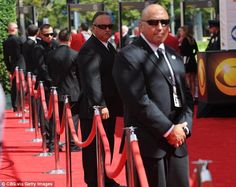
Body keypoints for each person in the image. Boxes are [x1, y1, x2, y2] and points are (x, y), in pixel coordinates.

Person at [113, 4, 194, 187]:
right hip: (147, 145)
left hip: (178, 144)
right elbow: (138, 101)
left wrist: (184, 128)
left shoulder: (174, 55)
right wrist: (168, 130)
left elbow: (187, 97)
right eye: (153, 22)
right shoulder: (128, 56)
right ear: (141, 26)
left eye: (164, 22)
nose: (160, 27)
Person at [77, 11, 123, 187]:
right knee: (93, 149)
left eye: (110, 26)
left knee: (107, 144)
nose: (107, 30)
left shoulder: (108, 46)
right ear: (93, 28)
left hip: (108, 106)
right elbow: (92, 80)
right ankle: (94, 181)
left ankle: (105, 177)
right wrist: (100, 105)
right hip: (94, 109)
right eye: (102, 26)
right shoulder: (89, 49)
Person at [47, 28, 81, 152]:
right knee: (73, 118)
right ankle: (72, 143)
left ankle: (53, 143)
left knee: (55, 118)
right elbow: (79, 74)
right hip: (73, 90)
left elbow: (49, 72)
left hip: (56, 90)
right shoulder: (75, 55)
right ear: (70, 39)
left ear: (58, 39)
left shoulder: (51, 54)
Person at [32, 24, 56, 151]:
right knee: (46, 114)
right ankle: (48, 141)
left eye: (52, 34)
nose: (50, 37)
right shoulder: (38, 48)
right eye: (47, 34)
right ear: (40, 34)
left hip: (55, 85)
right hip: (45, 86)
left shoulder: (54, 45)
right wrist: (51, 81)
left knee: (55, 115)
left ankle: (54, 140)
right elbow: (42, 68)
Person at [2, 22, 25, 112]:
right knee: (22, 86)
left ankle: (15, 105)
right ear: (14, 29)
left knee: (14, 86)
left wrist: (9, 68)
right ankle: (21, 105)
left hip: (13, 66)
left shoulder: (5, 42)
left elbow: (6, 57)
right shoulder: (20, 40)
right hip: (22, 64)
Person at [178, 25, 198, 102]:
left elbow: (183, 52)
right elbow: (196, 50)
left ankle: (189, 97)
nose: (180, 32)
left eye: (181, 31)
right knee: (193, 80)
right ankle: (193, 96)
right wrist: (192, 55)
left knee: (188, 79)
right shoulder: (192, 39)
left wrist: (179, 45)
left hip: (186, 61)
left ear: (184, 31)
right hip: (192, 60)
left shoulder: (184, 40)